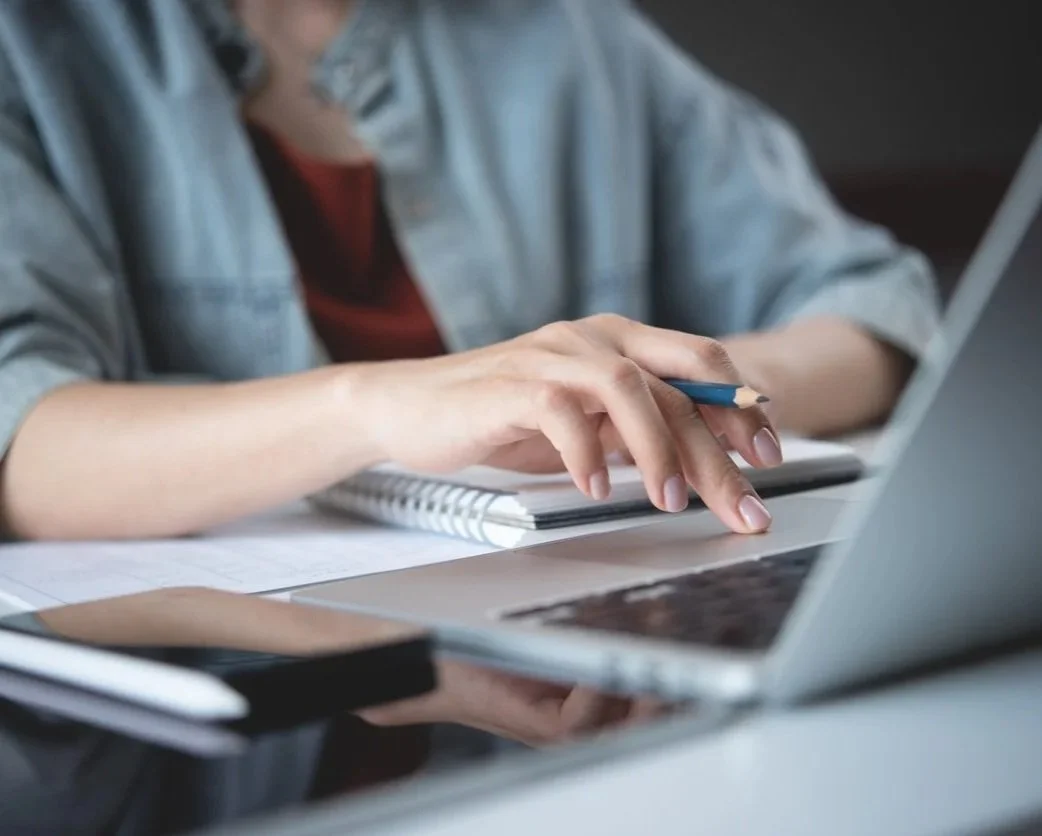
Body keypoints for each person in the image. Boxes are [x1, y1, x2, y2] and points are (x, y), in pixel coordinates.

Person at [0, 0, 939, 543]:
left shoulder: (570, 32)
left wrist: (661, 399)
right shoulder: (33, 45)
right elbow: (22, 437)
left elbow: (876, 310)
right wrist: (380, 408)